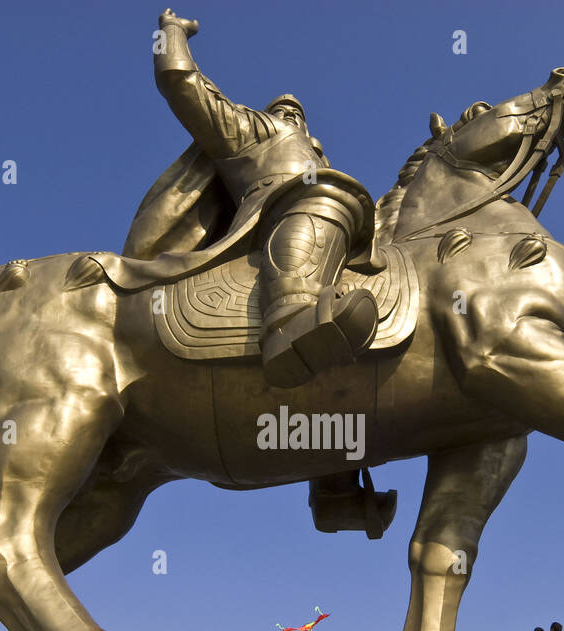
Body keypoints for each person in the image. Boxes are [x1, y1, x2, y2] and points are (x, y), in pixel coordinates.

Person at [131, 9, 379, 388]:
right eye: (283, 110)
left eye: (296, 113)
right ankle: (292, 317)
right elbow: (181, 81)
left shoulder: (316, 155)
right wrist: (172, 33)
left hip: (341, 230)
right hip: (275, 215)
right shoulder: (250, 130)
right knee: (329, 194)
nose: (293, 114)